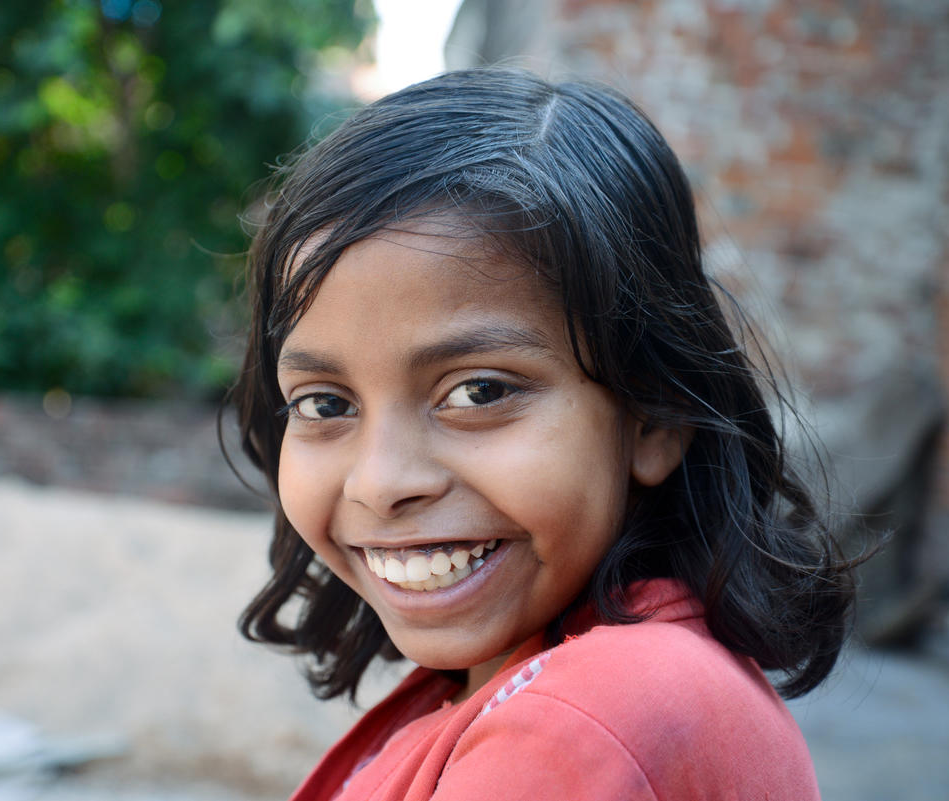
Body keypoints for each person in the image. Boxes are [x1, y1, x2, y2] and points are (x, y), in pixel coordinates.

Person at [226, 67, 858, 800]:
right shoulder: (559, 683)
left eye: (479, 391)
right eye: (325, 404)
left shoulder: (575, 728)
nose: (381, 481)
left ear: (656, 414)